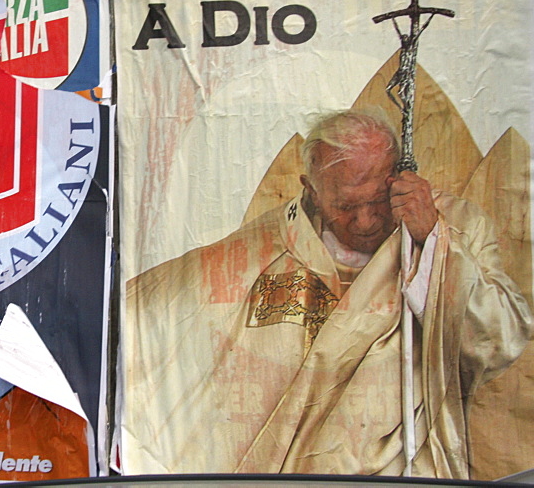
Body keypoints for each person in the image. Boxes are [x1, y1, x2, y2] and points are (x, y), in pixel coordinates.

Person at [124, 110, 532, 478]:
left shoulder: (455, 225)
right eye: (345, 206)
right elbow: (154, 310)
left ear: (399, 175)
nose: (367, 221)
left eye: (378, 201)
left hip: (405, 465)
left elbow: (500, 339)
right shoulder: (266, 242)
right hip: (286, 466)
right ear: (312, 190)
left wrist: (433, 242)